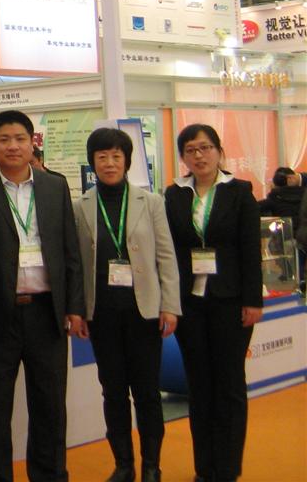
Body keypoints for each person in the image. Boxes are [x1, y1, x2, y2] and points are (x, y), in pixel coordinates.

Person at [0, 110, 84, 482]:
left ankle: (50, 475)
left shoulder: (54, 187)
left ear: (32, 143)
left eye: (20, 139)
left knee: (50, 405)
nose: (13, 146)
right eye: (4, 139)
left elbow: (70, 251)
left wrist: (74, 306)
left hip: (46, 312)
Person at [73, 128, 180, 482]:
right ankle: (123, 465)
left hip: (143, 312)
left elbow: (166, 256)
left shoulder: (151, 202)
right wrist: (78, 309)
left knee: (147, 393)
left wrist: (170, 304)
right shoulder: (80, 206)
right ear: (92, 163)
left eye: (116, 156)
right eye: (102, 156)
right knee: (113, 393)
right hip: (102, 314)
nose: (109, 163)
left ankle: (151, 465)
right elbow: (76, 264)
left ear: (127, 161)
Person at [164, 124, 262, 482]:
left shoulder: (240, 192)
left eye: (205, 147)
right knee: (199, 386)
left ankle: (228, 469)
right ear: (183, 156)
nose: (199, 155)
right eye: (191, 150)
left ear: (219, 151)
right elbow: (170, 250)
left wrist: (253, 300)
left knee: (230, 385)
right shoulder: (174, 194)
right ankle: (204, 468)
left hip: (231, 301)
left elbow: (250, 250)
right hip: (190, 303)